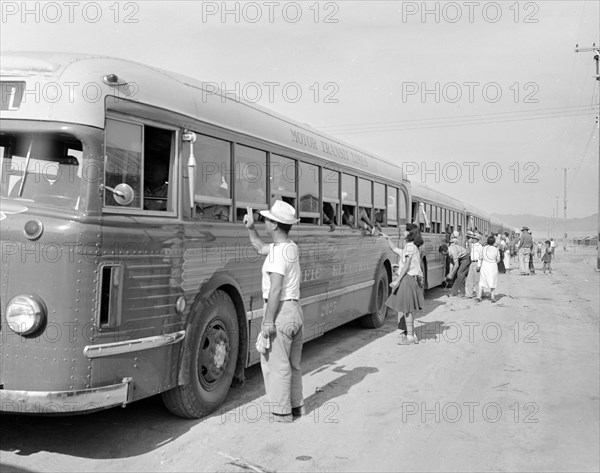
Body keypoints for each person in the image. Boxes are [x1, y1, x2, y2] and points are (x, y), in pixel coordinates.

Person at [243, 200, 303, 423]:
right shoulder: (289, 247)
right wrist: (251, 229)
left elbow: (276, 288)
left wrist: (268, 321)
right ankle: (297, 407)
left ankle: (281, 414)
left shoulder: (278, 254)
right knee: (292, 365)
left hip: (280, 311)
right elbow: (260, 248)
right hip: (295, 310)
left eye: (267, 219)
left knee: (275, 365)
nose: (264, 221)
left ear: (275, 225)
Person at [383, 224, 424, 345]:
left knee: (406, 310)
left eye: (406, 231)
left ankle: (410, 336)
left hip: (407, 279)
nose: (404, 232)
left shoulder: (409, 246)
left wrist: (397, 279)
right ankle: (412, 334)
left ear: (410, 233)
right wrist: (388, 238)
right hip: (410, 279)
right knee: (407, 309)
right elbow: (394, 249)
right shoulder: (412, 247)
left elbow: (406, 265)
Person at [477, 235, 500, 302]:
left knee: (482, 281)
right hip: (493, 266)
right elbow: (498, 259)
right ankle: (492, 297)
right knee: (493, 281)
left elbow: (480, 257)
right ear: (494, 242)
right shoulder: (496, 249)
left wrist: (479, 265)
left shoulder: (483, 248)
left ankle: (479, 296)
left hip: (484, 266)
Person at [465, 231, 483, 298]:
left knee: (477, 280)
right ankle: (469, 294)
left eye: (473, 238)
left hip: (477, 262)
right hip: (472, 262)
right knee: (470, 279)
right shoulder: (472, 245)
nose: (472, 239)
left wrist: (479, 265)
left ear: (476, 239)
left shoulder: (480, 247)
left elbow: (480, 257)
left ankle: (479, 294)